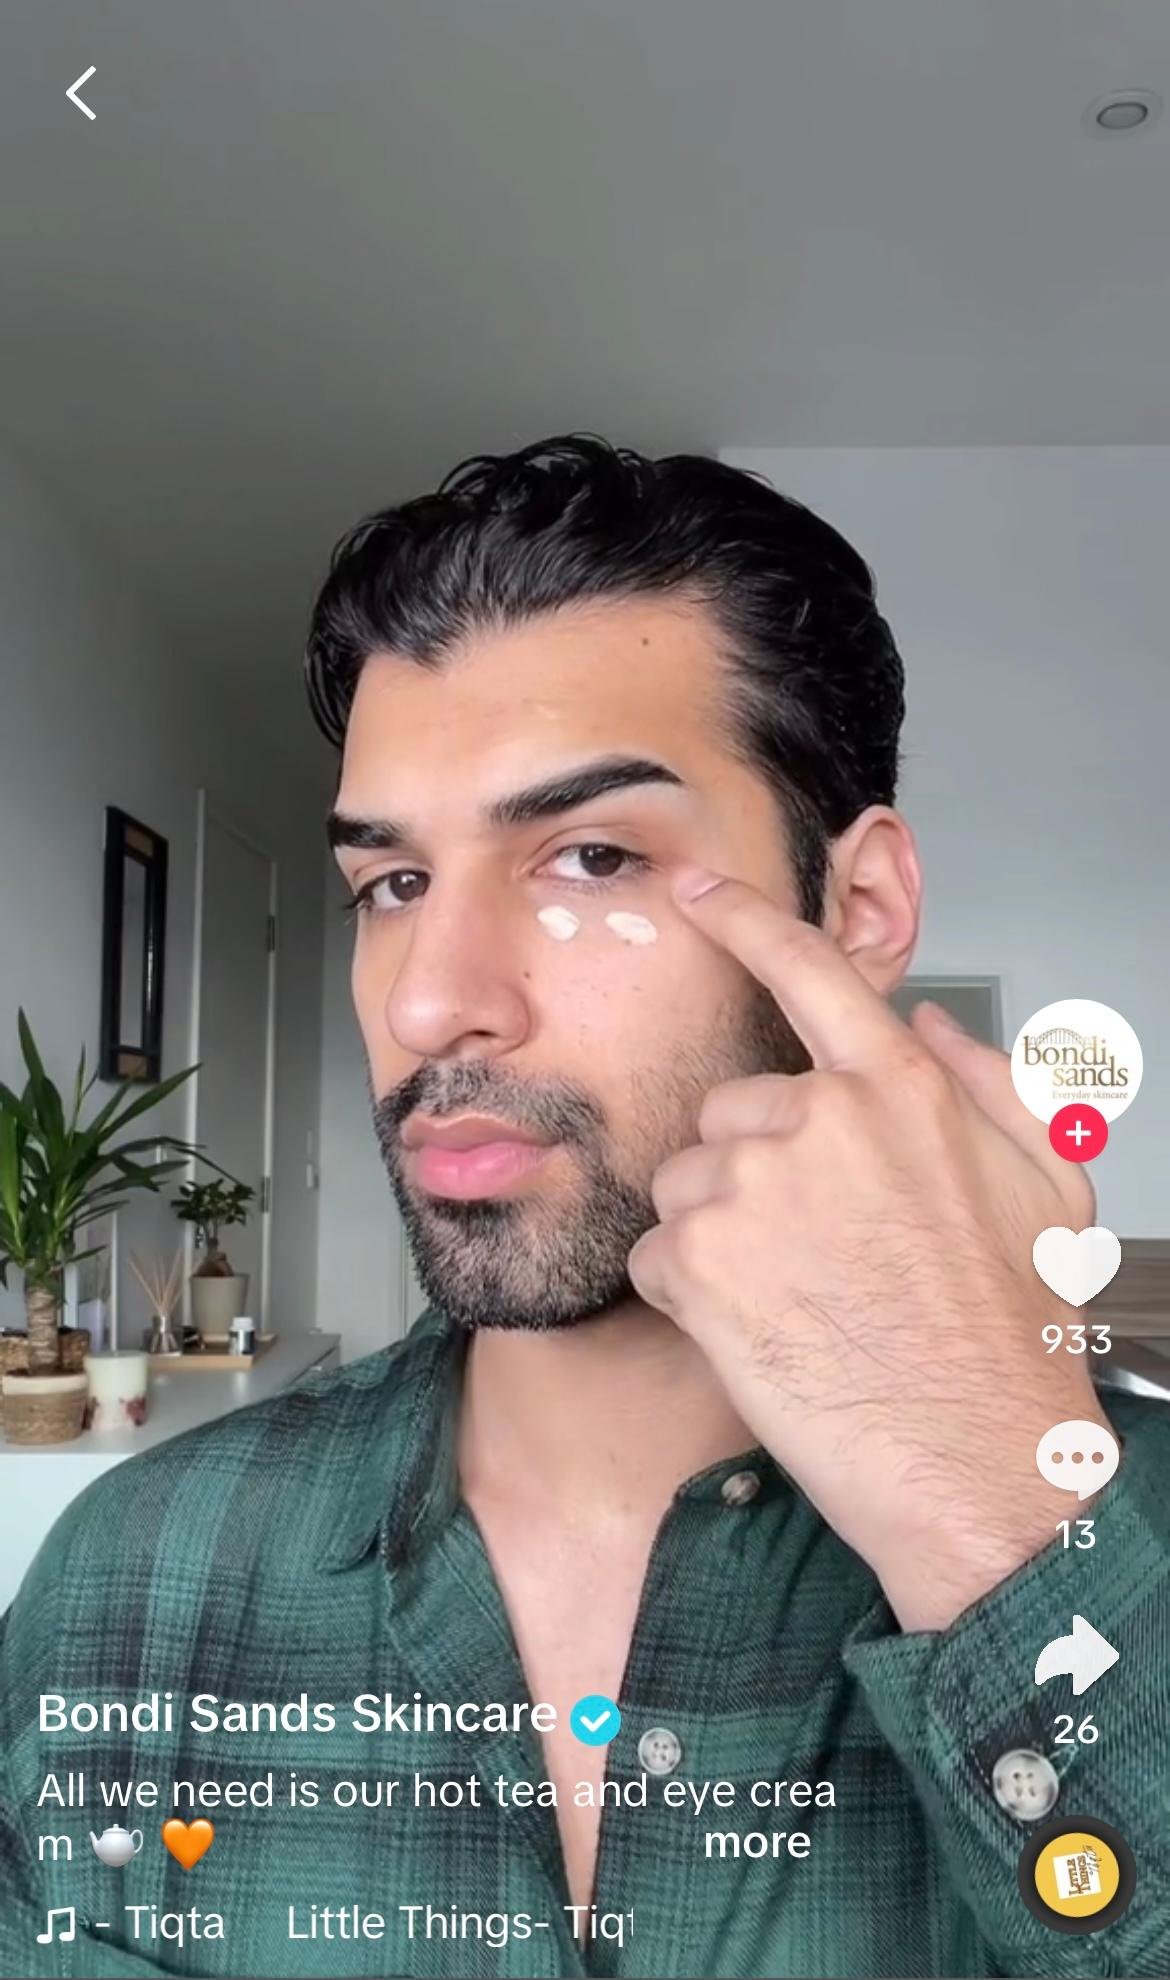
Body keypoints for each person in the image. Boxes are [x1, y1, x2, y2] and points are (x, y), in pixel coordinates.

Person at [2, 435, 1166, 1980]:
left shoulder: (1128, 1535)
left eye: (591, 855)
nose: (428, 1005)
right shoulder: (131, 1581)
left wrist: (998, 1529)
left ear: (858, 906)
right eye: (392, 884)